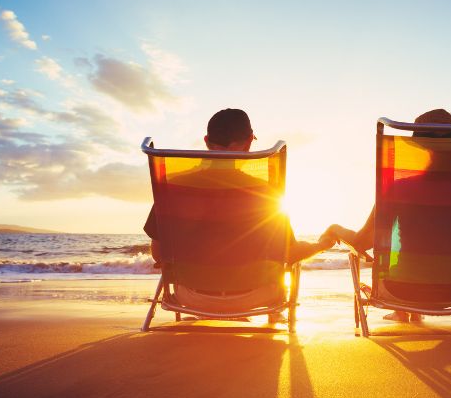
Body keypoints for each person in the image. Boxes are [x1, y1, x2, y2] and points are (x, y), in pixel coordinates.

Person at [144, 108, 336, 321]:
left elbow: (159, 254)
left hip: (190, 297)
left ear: (206, 141)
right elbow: (289, 254)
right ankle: (272, 317)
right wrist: (321, 245)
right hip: (256, 296)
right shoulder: (266, 193)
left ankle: (209, 311)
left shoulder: (175, 188)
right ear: (248, 142)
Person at [323, 109, 451, 322]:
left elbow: (362, 242)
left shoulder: (400, 188)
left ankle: (404, 310)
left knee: (408, 265)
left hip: (402, 291)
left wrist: (335, 229)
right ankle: (409, 312)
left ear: (423, 149)